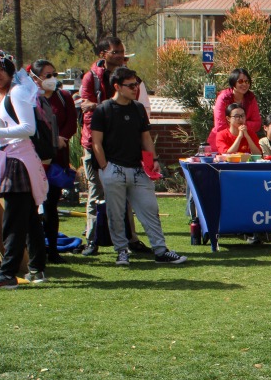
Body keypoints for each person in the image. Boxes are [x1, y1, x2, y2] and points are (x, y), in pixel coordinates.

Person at [89, 66, 187, 267]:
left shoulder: (138, 109)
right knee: (116, 214)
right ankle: (121, 251)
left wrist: (154, 161)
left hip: (138, 169)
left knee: (150, 209)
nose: (136, 89)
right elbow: (96, 142)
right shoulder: (104, 109)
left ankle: (160, 251)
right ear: (117, 86)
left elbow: (145, 137)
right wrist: (104, 167)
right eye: (131, 85)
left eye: (137, 84)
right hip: (113, 169)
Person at [0, 51, 48, 290]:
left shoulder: (16, 93)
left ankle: (7, 274)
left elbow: (28, 128)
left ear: (10, 71)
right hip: (16, 159)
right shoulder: (9, 93)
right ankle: (37, 268)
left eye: (1, 70)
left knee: (14, 220)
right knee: (28, 217)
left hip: (18, 161)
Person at [79, 36, 147, 256]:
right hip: (95, 142)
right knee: (96, 191)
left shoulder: (129, 77)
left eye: (121, 51)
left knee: (126, 192)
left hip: (122, 145)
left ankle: (132, 239)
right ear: (103, 55)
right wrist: (110, 111)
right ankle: (92, 240)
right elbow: (85, 106)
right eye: (115, 52)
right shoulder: (92, 78)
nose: (120, 55)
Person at [31, 58, 78, 264]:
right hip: (35, 159)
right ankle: (35, 248)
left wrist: (61, 139)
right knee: (32, 206)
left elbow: (71, 123)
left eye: (54, 74)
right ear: (35, 78)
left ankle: (52, 249)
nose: (51, 79)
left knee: (51, 205)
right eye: (47, 75)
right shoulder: (30, 99)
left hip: (57, 160)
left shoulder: (63, 96)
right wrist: (49, 141)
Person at [208, 68, 262, 151]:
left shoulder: (251, 98)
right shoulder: (223, 98)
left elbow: (257, 124)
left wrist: (238, 125)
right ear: (233, 83)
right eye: (240, 81)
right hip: (222, 142)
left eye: (247, 81)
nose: (244, 84)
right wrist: (240, 125)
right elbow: (220, 126)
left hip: (244, 141)